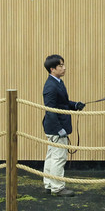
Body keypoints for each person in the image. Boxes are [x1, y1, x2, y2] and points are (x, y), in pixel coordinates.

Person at [41, 54, 85, 197]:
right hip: (56, 128)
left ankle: (49, 184)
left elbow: (62, 104)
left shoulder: (57, 82)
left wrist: (75, 105)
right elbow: (50, 110)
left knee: (51, 156)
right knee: (59, 157)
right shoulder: (51, 86)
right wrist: (59, 129)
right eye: (60, 66)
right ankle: (57, 187)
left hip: (55, 126)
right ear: (52, 69)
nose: (64, 68)